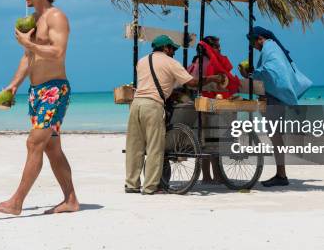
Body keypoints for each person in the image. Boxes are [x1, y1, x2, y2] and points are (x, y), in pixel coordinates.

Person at [0, 0, 79, 215]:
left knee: (33, 143)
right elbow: (28, 57)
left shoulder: (56, 16)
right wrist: (14, 85)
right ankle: (71, 200)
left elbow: (58, 51)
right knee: (52, 148)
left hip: (54, 90)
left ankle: (16, 202)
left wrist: (28, 44)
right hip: (37, 92)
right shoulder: (34, 20)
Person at [126, 35, 224, 195]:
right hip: (153, 105)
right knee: (155, 147)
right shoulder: (170, 62)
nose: (174, 53)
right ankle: (151, 187)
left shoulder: (142, 61)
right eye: (172, 49)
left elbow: (154, 80)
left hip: (136, 104)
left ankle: (131, 185)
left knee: (134, 147)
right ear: (165, 48)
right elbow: (191, 83)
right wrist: (212, 78)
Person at [239, 26, 312, 187]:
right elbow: (271, 71)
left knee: (275, 136)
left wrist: (250, 74)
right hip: (277, 98)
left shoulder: (269, 48)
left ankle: (281, 174)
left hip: (275, 100)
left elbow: (271, 71)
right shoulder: (272, 47)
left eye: (252, 42)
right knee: (276, 136)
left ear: (260, 38)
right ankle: (281, 173)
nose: (252, 46)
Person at [187, 36, 240, 184]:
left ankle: (210, 176)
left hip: (210, 105)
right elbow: (195, 82)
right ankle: (212, 175)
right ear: (209, 48)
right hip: (207, 106)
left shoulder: (199, 61)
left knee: (209, 142)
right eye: (216, 46)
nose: (219, 49)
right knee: (210, 142)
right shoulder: (203, 62)